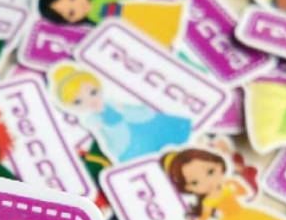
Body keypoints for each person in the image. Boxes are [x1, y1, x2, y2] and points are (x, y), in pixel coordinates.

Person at [51, 64, 192, 163]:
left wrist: (124, 109)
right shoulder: (91, 119)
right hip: (124, 142)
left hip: (143, 124)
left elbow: (133, 110)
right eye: (78, 101)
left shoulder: (113, 102)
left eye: (92, 92)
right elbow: (102, 130)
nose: (90, 100)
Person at [37, 0, 183, 48]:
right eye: (71, 12)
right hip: (130, 25)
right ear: (72, 21)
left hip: (135, 9)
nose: (78, 6)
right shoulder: (93, 22)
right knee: (156, 33)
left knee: (162, 16)